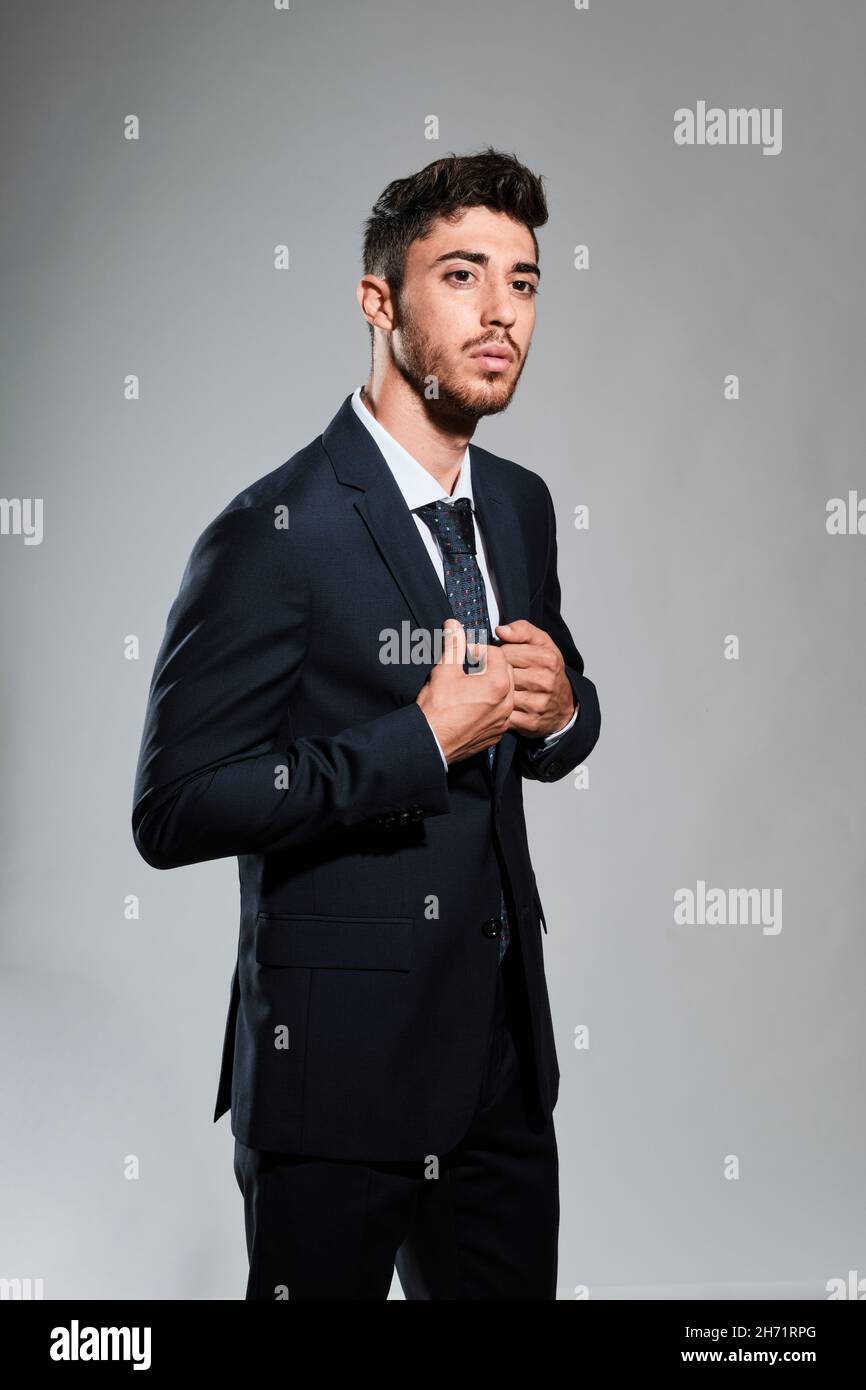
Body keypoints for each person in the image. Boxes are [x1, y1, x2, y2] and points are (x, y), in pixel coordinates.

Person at [131, 146, 601, 1300]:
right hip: (330, 1086)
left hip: (496, 1079)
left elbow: (552, 711)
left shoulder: (517, 504)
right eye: (461, 276)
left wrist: (562, 710)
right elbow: (176, 805)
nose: (499, 313)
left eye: (523, 282)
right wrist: (417, 742)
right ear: (378, 300)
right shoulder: (271, 532)